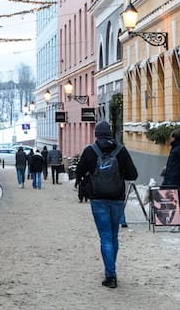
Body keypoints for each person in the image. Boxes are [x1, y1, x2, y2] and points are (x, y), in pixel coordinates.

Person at [73, 120, 138, 289]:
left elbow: (78, 171)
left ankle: (111, 274)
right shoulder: (121, 151)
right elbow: (133, 174)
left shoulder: (90, 151)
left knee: (105, 237)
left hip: (98, 198)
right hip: (117, 198)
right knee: (113, 235)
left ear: (96, 134)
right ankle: (111, 269)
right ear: (110, 134)